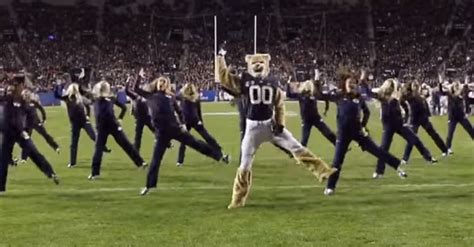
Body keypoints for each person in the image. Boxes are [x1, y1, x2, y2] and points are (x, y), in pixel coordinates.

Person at [217, 48, 336, 208]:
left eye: (261, 62)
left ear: (266, 64)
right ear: (249, 64)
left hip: (270, 124)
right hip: (252, 128)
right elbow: (224, 78)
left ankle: (322, 171)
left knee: (296, 147)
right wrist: (220, 58)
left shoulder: (272, 82)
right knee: (244, 165)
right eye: (255, 62)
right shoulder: (244, 80)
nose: (258, 65)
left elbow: (279, 104)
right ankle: (238, 199)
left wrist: (280, 123)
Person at [130, 76, 229, 196]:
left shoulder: (170, 97)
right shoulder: (150, 96)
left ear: (167, 85)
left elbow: (179, 111)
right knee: (156, 160)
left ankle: (218, 156)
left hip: (175, 130)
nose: (162, 83)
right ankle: (149, 186)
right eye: (160, 82)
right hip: (161, 134)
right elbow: (135, 88)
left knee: (196, 144)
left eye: (164, 82)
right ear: (156, 84)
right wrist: (139, 76)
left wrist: (182, 124)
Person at [324, 71, 407, 195]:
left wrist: (363, 126)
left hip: (358, 133)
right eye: (349, 82)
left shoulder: (359, 98)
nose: (352, 84)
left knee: (377, 151)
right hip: (343, 134)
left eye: (354, 82)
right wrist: (316, 79)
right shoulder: (339, 96)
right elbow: (320, 95)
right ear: (344, 84)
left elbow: (366, 112)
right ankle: (330, 187)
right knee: (337, 161)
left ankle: (397, 166)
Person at [0, 76, 59, 194]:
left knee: (34, 152)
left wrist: (26, 131)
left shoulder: (23, 102)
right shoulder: (7, 98)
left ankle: (50, 173)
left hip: (19, 132)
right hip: (7, 132)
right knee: (3, 159)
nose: (21, 88)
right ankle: (1, 187)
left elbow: (30, 117)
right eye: (19, 85)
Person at [371, 78, 437, 179]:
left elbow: (404, 107)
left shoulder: (395, 97)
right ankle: (379, 171)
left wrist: (404, 117)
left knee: (415, 139)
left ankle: (428, 157)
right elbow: (371, 93)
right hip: (388, 126)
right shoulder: (384, 97)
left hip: (399, 125)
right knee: (384, 148)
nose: (394, 88)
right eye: (393, 86)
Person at [88, 80, 147, 180]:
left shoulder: (96, 99)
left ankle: (95, 173)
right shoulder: (110, 98)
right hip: (113, 125)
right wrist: (119, 118)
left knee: (99, 149)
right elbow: (123, 107)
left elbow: (123, 108)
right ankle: (140, 162)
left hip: (103, 126)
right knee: (126, 144)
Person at [54, 79, 110, 168]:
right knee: (74, 143)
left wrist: (87, 115)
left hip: (84, 121)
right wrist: (57, 85)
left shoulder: (79, 98)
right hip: (75, 123)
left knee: (93, 136)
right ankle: (72, 162)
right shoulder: (67, 98)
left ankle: (104, 148)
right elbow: (56, 95)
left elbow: (88, 105)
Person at [400, 80, 449, 164]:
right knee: (412, 138)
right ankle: (405, 158)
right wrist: (406, 112)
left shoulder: (418, 96)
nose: (416, 88)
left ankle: (444, 150)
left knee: (434, 134)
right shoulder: (410, 96)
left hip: (422, 119)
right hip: (414, 120)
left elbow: (424, 106)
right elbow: (401, 101)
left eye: (416, 86)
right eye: (414, 86)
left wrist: (428, 114)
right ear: (411, 87)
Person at [176, 83, 224, 167]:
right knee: (206, 136)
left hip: (185, 121)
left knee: (184, 141)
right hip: (195, 120)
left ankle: (180, 161)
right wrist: (201, 121)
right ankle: (219, 151)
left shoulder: (182, 97)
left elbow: (176, 96)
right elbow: (198, 111)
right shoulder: (195, 98)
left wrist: (183, 88)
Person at [18, 89, 60, 163]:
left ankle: (56, 147)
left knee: (45, 135)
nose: (26, 96)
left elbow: (41, 109)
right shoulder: (22, 104)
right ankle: (24, 158)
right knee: (27, 140)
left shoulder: (33, 102)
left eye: (27, 95)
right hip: (27, 125)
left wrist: (44, 119)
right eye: (25, 95)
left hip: (36, 122)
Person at [296, 79, 336, 147]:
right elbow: (289, 94)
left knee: (328, 132)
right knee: (304, 139)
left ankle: (340, 146)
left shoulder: (313, 94)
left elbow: (324, 97)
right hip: (307, 120)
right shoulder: (302, 95)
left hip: (315, 118)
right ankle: (300, 152)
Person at [439, 80, 474, 152]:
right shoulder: (449, 94)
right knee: (450, 133)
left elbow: (465, 96)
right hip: (452, 117)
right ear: (453, 87)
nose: (457, 87)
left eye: (457, 86)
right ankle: (447, 148)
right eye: (455, 86)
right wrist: (440, 84)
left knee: (470, 129)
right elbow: (441, 92)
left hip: (461, 116)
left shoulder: (462, 93)